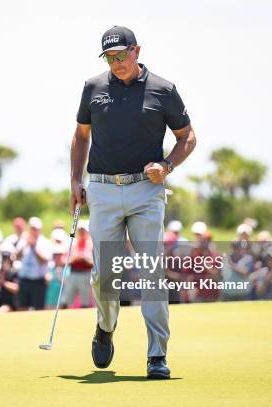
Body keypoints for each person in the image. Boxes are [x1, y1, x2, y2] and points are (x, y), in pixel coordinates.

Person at [70, 26, 196, 379]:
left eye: (121, 55)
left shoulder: (163, 90)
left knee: (151, 271)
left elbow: (187, 137)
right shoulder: (93, 87)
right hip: (103, 191)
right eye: (110, 58)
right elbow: (81, 137)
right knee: (104, 274)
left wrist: (167, 165)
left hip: (146, 191)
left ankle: (157, 355)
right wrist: (75, 182)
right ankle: (105, 326)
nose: (116, 63)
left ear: (136, 51)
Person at [16, 217, 51, 310]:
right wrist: (25, 245)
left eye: (35, 229)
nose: (34, 231)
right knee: (22, 307)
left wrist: (34, 248)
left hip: (38, 281)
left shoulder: (44, 242)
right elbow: (16, 256)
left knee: (39, 308)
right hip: (24, 280)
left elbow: (44, 260)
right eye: (32, 228)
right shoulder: (24, 240)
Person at [61, 220, 93, 308]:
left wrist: (84, 259)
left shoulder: (92, 245)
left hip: (86, 274)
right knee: (66, 300)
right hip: (73, 273)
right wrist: (75, 259)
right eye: (80, 231)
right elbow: (64, 260)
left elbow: (95, 262)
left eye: (83, 231)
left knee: (85, 302)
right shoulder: (73, 244)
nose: (82, 233)